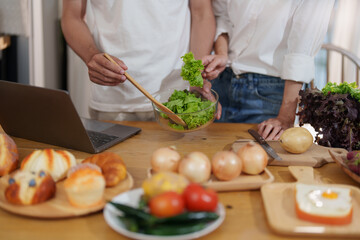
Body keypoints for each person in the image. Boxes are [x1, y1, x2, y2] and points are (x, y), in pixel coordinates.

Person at [61, 0, 215, 121]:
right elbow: (72, 16)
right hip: (113, 100)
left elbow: (202, 13)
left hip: (176, 100)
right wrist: (91, 56)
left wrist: (195, 77)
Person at [202, 0, 335, 140]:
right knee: (211, 154)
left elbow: (303, 48)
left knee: (260, 158)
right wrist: (222, 54)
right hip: (222, 81)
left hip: (271, 92)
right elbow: (222, 16)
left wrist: (285, 116)